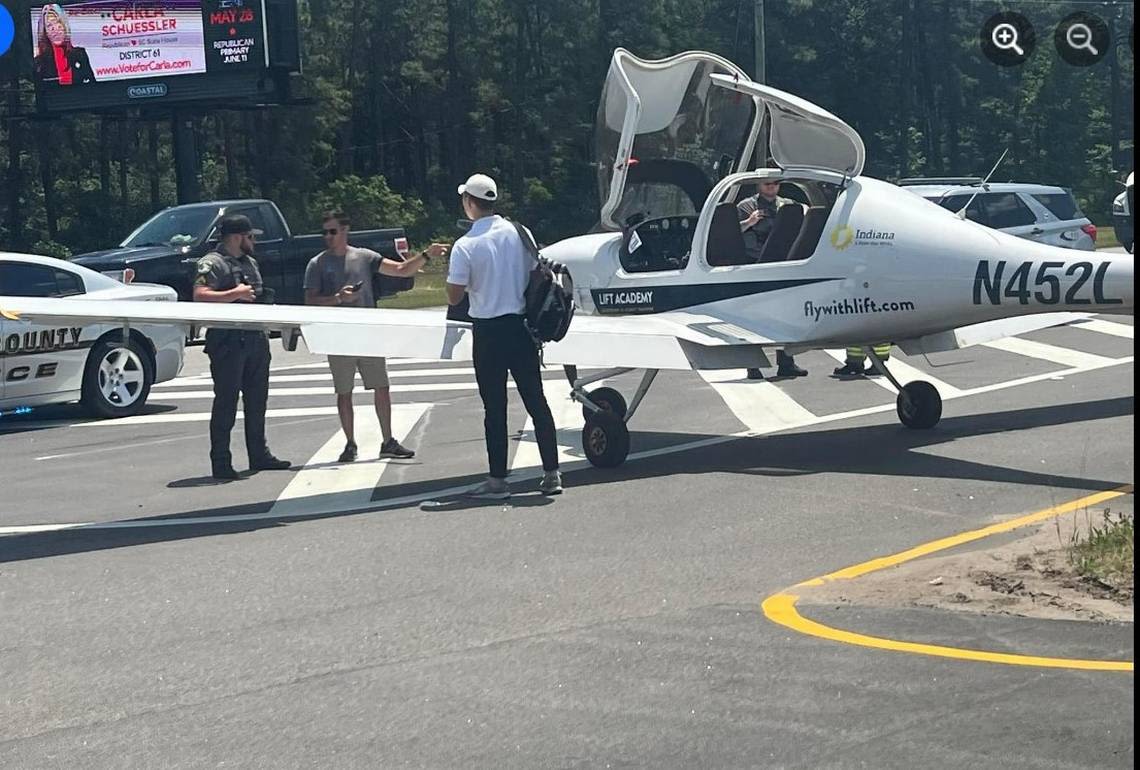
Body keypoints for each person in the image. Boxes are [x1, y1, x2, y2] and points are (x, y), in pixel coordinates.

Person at [444, 174, 562, 499]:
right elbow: (533, 273)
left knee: (494, 408)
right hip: (521, 328)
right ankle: (552, 472)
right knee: (536, 401)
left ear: (470, 202)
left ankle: (498, 480)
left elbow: (454, 297)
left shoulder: (465, 245)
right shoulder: (519, 233)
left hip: (488, 332)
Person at [303, 210, 446, 462]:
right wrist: (338, 298)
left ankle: (388, 440)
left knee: (381, 387)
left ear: (345, 230)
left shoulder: (365, 257)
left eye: (333, 231)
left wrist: (425, 255)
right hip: (337, 337)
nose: (328, 236)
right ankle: (349, 443)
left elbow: (401, 270)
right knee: (344, 392)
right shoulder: (317, 264)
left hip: (368, 333)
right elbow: (309, 300)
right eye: (324, 232)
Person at [193, 215, 290, 480]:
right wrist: (234, 294)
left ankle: (259, 454)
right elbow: (199, 295)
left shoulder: (250, 263)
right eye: (251, 236)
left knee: (257, 401)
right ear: (237, 237)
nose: (254, 241)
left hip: (256, 339)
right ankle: (221, 461)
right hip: (228, 342)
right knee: (226, 402)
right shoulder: (212, 263)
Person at [739, 180, 808, 380]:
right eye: (767, 183)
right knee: (752, 318)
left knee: (785, 316)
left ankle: (786, 363)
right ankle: (752, 366)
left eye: (776, 183)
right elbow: (731, 232)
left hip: (782, 265)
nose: (771, 187)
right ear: (758, 185)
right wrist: (749, 222)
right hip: (755, 266)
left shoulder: (787, 205)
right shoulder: (746, 207)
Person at [33, 4, 95, 86]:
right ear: (45, 32)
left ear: (65, 27)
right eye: (50, 26)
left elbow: (93, 86)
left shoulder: (80, 54)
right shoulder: (40, 62)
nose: (56, 31)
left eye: (59, 25)